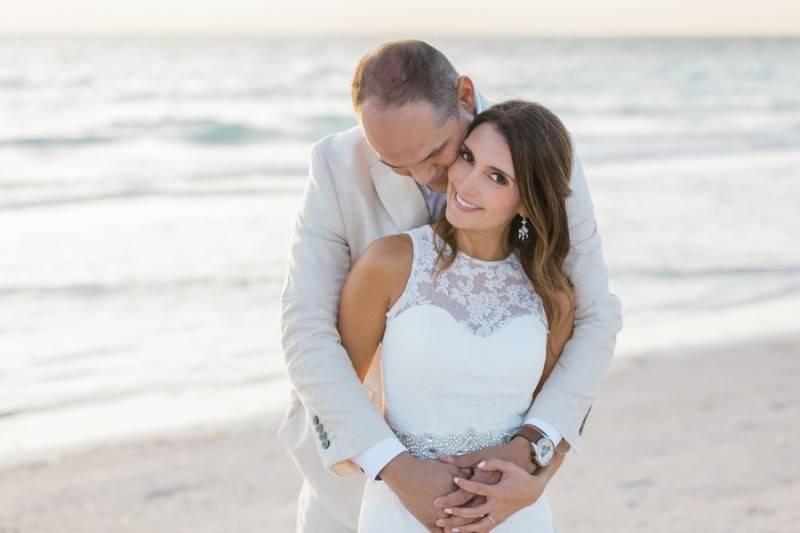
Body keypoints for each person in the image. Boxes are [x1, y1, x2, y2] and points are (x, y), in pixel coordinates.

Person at [279, 40, 622, 533]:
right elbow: (306, 330)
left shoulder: (538, 153)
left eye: (439, 153)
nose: (428, 178)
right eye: (396, 165)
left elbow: (594, 315)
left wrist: (536, 457)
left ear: (464, 96)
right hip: (356, 468)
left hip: (505, 496)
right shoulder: (336, 167)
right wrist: (395, 467)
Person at [340, 99, 577, 531]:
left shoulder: (552, 293)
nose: (465, 184)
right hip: (405, 511)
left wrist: (535, 484)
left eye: (496, 177)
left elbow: (559, 413)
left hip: (514, 516)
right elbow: (337, 394)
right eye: (467, 157)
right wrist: (396, 469)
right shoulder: (390, 263)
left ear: (528, 201)